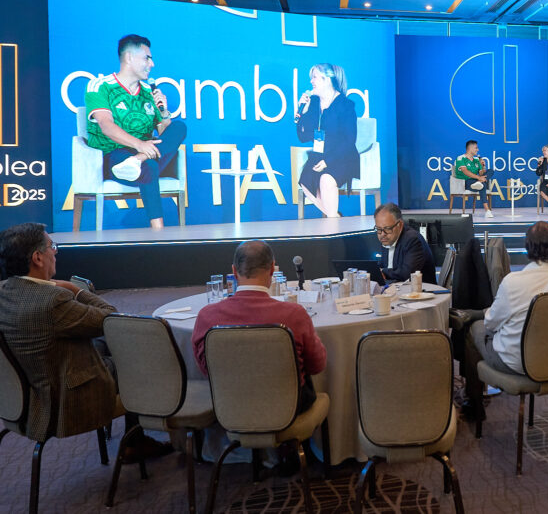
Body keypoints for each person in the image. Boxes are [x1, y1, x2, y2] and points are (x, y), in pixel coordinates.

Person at [0, 222, 170, 461]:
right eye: (52, 246)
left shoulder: (5, 291)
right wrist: (75, 290)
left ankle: (137, 437)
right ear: (37, 258)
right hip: (64, 400)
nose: (55, 252)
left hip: (27, 392)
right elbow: (110, 318)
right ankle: (136, 441)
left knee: (107, 344)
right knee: (135, 355)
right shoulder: (53, 301)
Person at [461, 222, 548, 419]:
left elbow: (490, 323)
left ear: (527, 248)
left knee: (474, 328)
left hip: (519, 364)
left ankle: (474, 404)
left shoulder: (514, 282)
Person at [192, 240, 327, 413]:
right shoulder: (294, 315)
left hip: (229, 406)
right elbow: (317, 365)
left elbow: (206, 369)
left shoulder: (207, 316)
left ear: (234, 271)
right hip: (287, 408)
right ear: (272, 269)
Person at [85, 34, 187, 229]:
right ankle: (159, 232)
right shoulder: (101, 86)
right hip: (114, 156)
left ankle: (138, 160)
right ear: (129, 58)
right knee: (150, 166)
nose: (152, 64)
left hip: (145, 154)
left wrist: (164, 113)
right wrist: (140, 145)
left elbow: (165, 134)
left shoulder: (149, 92)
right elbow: (106, 126)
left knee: (179, 127)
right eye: (147, 58)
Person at [295, 63, 359, 218]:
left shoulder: (345, 105)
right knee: (305, 182)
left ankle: (333, 221)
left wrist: (327, 161)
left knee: (326, 180)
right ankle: (335, 217)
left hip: (342, 156)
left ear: (327, 79)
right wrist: (303, 111)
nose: (311, 81)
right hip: (320, 154)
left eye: (315, 77)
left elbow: (350, 140)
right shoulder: (314, 102)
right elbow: (303, 137)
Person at [374, 203, 437, 283]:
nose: (382, 234)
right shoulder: (386, 238)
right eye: (379, 229)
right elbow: (385, 266)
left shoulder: (413, 240)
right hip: (394, 287)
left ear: (400, 225)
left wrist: (383, 272)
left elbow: (407, 274)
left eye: (387, 228)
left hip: (419, 289)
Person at [454, 140, 494, 218]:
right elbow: (465, 171)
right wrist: (479, 178)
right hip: (466, 182)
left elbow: (481, 174)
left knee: (491, 171)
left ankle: (479, 183)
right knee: (482, 185)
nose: (478, 150)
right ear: (470, 148)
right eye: (476, 148)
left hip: (475, 181)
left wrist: (483, 166)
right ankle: (487, 210)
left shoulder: (476, 160)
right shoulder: (460, 158)